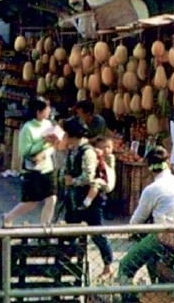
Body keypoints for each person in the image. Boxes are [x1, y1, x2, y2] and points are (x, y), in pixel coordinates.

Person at [118, 146, 174, 298]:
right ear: (168, 163)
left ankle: (130, 299)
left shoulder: (152, 189)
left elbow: (134, 223)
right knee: (151, 257)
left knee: (124, 266)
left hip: (163, 235)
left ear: (148, 168)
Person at [62, 118, 114, 280]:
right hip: (74, 198)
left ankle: (108, 266)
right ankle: (69, 265)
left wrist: (73, 181)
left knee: (97, 233)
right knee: (71, 232)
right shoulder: (73, 150)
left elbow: (89, 177)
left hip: (90, 200)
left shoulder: (87, 152)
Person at [3, 97, 59, 227]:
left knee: (52, 198)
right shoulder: (27, 129)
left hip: (48, 167)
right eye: (47, 108)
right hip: (33, 169)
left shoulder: (48, 124)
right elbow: (25, 151)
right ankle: (8, 217)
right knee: (31, 202)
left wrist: (45, 152)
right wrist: (42, 142)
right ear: (38, 112)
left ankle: (45, 227)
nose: (49, 111)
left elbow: (52, 146)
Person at [78, 135, 116, 210]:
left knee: (95, 183)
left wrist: (99, 154)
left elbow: (106, 162)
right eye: (103, 147)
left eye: (108, 147)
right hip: (102, 180)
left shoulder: (110, 157)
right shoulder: (95, 155)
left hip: (108, 181)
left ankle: (87, 202)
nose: (106, 149)